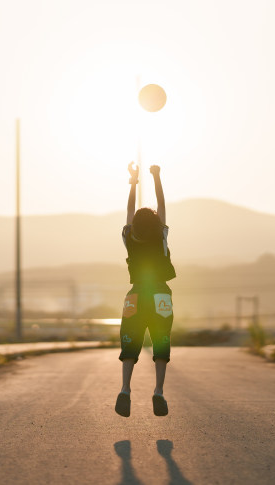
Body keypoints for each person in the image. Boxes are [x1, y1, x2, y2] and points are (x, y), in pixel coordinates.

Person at [115, 162, 177, 417]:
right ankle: (159, 391)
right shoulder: (159, 234)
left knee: (130, 340)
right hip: (160, 294)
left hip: (136, 294)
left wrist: (133, 181)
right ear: (155, 222)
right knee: (161, 341)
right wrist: (156, 176)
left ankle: (125, 389)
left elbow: (130, 209)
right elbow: (162, 205)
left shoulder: (129, 236)